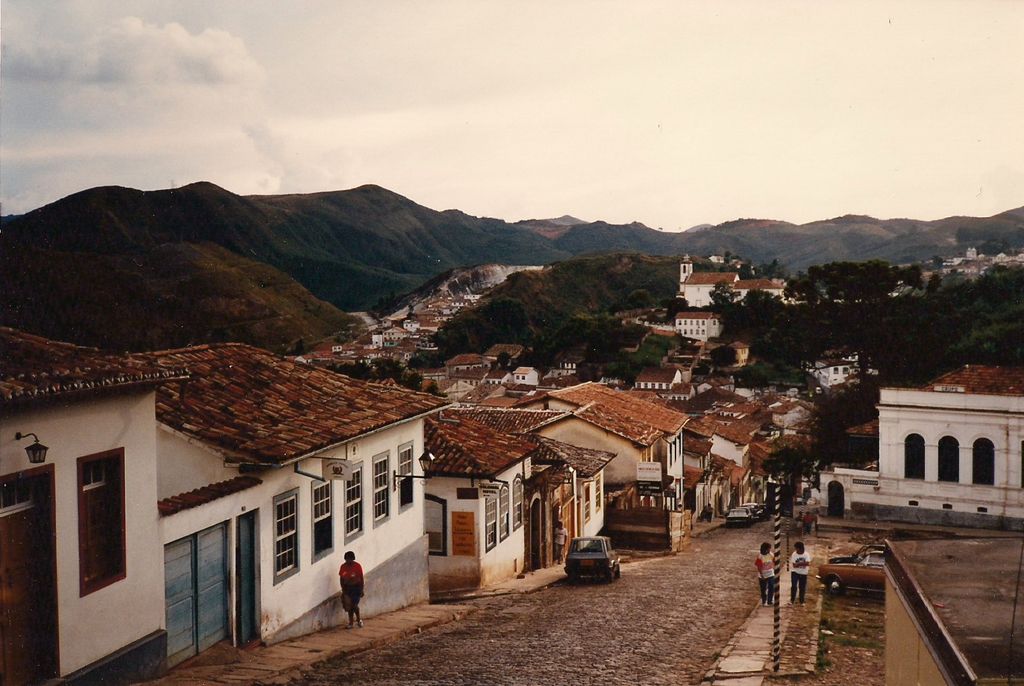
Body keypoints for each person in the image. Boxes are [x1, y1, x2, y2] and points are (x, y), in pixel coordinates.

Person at [338, 550, 365, 628]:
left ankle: (359, 620)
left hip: (356, 588)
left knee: (354, 605)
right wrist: (343, 589)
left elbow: (361, 578)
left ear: (352, 558)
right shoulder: (343, 566)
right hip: (347, 588)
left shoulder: (357, 566)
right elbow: (341, 578)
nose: (348, 561)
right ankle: (351, 622)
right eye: (346, 559)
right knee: (349, 606)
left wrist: (361, 589)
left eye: (349, 559)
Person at [755, 542, 775, 606]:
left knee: (771, 586)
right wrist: (762, 575)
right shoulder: (760, 556)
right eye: (769, 548)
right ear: (765, 549)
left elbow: (774, 561)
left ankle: (770, 601)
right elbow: (759, 566)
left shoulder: (771, 554)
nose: (770, 550)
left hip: (770, 574)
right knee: (763, 589)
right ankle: (764, 601)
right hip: (762, 575)